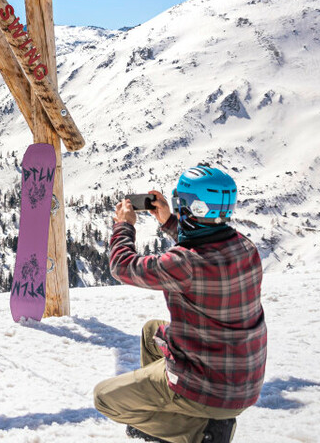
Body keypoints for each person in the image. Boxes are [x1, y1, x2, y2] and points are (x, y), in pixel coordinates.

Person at [93, 165, 267, 443]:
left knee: (104, 397)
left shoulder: (185, 263)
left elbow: (122, 266)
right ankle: (178, 412)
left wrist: (124, 225)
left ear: (191, 208)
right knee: (153, 332)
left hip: (213, 390)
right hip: (241, 380)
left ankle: (195, 432)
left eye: (179, 203)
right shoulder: (244, 247)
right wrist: (168, 221)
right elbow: (205, 244)